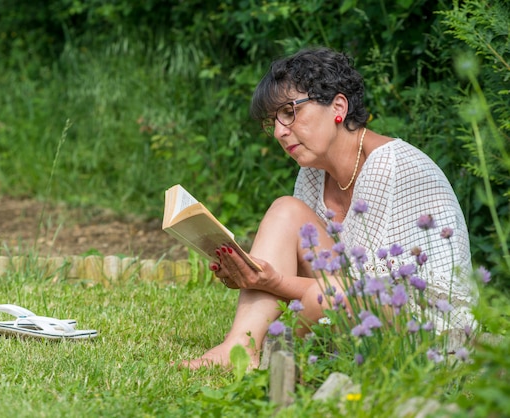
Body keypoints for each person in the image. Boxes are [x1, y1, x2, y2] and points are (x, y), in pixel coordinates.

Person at [184, 47, 475, 370]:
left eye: (289, 112)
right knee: (285, 210)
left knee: (329, 297)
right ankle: (239, 347)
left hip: (426, 327)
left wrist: (271, 281)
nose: (280, 131)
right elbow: (327, 282)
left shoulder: (396, 167)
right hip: (346, 302)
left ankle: (288, 358)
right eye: (273, 122)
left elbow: (377, 292)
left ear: (338, 106)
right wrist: (250, 274)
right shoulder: (312, 172)